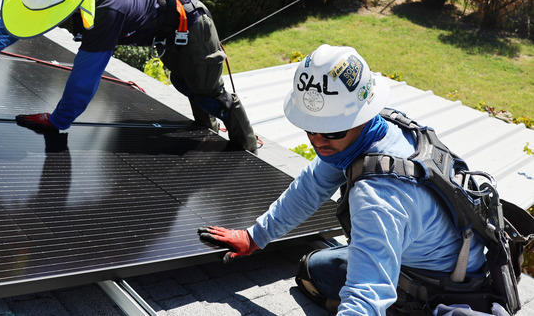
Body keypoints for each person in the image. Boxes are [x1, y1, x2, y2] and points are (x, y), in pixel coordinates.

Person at [197, 44, 489, 315]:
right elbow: (312, 185)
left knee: (319, 274)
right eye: (310, 129)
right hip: (446, 257)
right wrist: (254, 237)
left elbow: (366, 295)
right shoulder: (376, 129)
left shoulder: (378, 197)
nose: (318, 141)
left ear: (361, 117)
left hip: (440, 285)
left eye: (331, 130)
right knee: (314, 266)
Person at [0, 0, 258, 153]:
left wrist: (57, 120)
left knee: (207, 93)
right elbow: (21, 20)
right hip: (170, 29)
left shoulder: (106, 11)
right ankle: (207, 131)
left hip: (191, 26)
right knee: (185, 83)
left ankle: (248, 149)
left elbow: (85, 77)